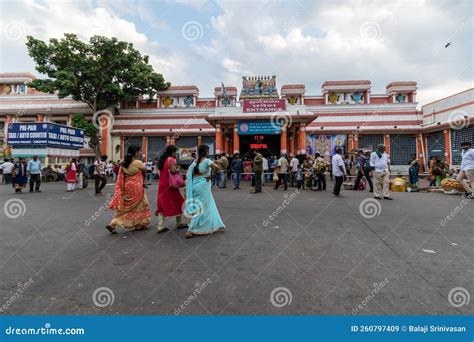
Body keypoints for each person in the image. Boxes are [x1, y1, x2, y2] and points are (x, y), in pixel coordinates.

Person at [107, 145, 151, 233]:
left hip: (127, 187)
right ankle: (139, 224)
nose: (139, 153)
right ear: (135, 152)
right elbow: (145, 170)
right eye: (138, 151)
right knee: (141, 204)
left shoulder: (123, 162)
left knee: (126, 206)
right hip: (137, 187)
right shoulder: (138, 162)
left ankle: (113, 223)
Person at [184, 144, 225, 238]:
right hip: (203, 186)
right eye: (208, 150)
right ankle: (191, 230)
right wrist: (211, 176)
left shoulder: (195, 162)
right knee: (201, 207)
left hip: (195, 186)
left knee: (202, 205)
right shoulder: (207, 161)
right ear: (206, 151)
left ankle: (206, 224)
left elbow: (189, 175)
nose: (209, 152)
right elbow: (217, 168)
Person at [156, 145, 188, 233]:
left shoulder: (162, 160)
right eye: (175, 152)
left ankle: (160, 226)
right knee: (178, 201)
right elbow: (173, 171)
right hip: (170, 185)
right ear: (172, 152)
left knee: (162, 203)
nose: (176, 154)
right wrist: (179, 169)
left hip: (162, 185)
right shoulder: (171, 159)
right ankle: (179, 223)